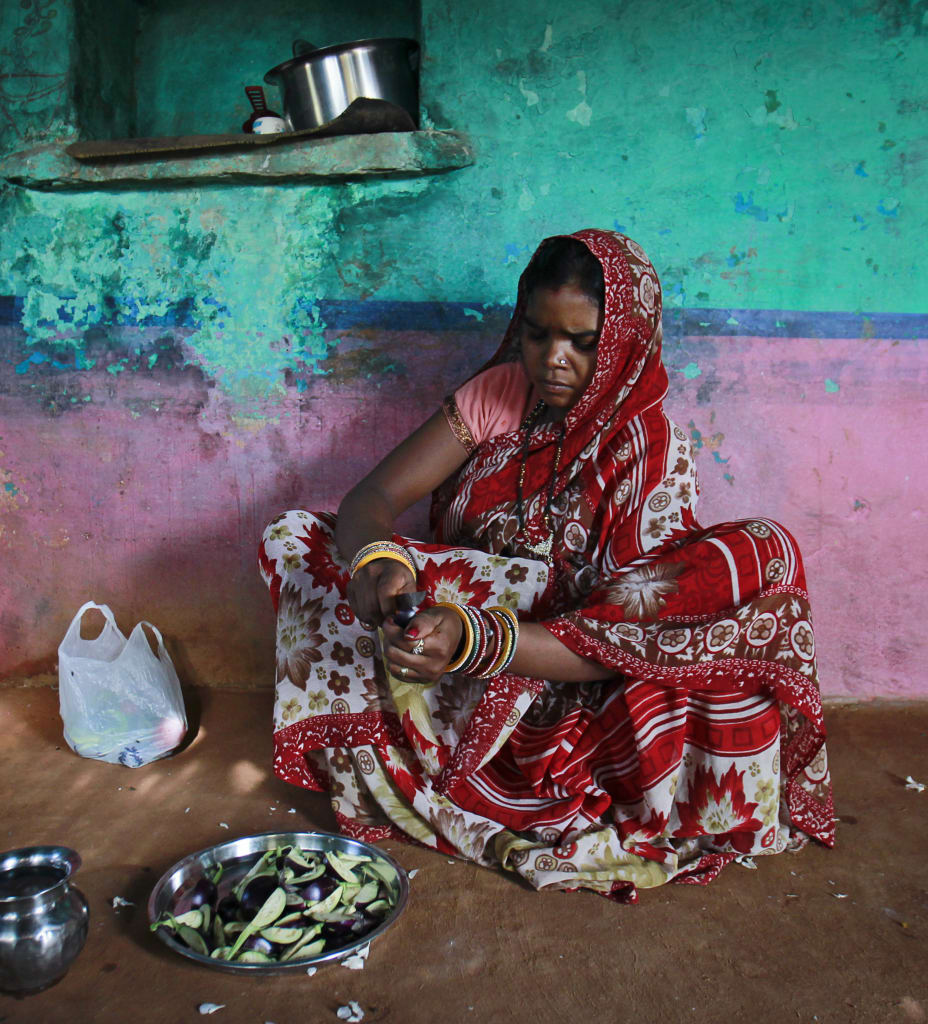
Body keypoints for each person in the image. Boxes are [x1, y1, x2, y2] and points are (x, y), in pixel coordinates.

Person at [259, 229, 834, 901]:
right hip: (439, 657)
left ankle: (502, 769)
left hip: (560, 673)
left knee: (759, 556)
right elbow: (374, 498)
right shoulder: (502, 393)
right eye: (536, 335)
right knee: (297, 538)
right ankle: (411, 746)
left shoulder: (648, 447)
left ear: (623, 339)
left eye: (581, 343)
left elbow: (623, 638)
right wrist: (380, 564)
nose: (552, 361)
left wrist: (475, 639)